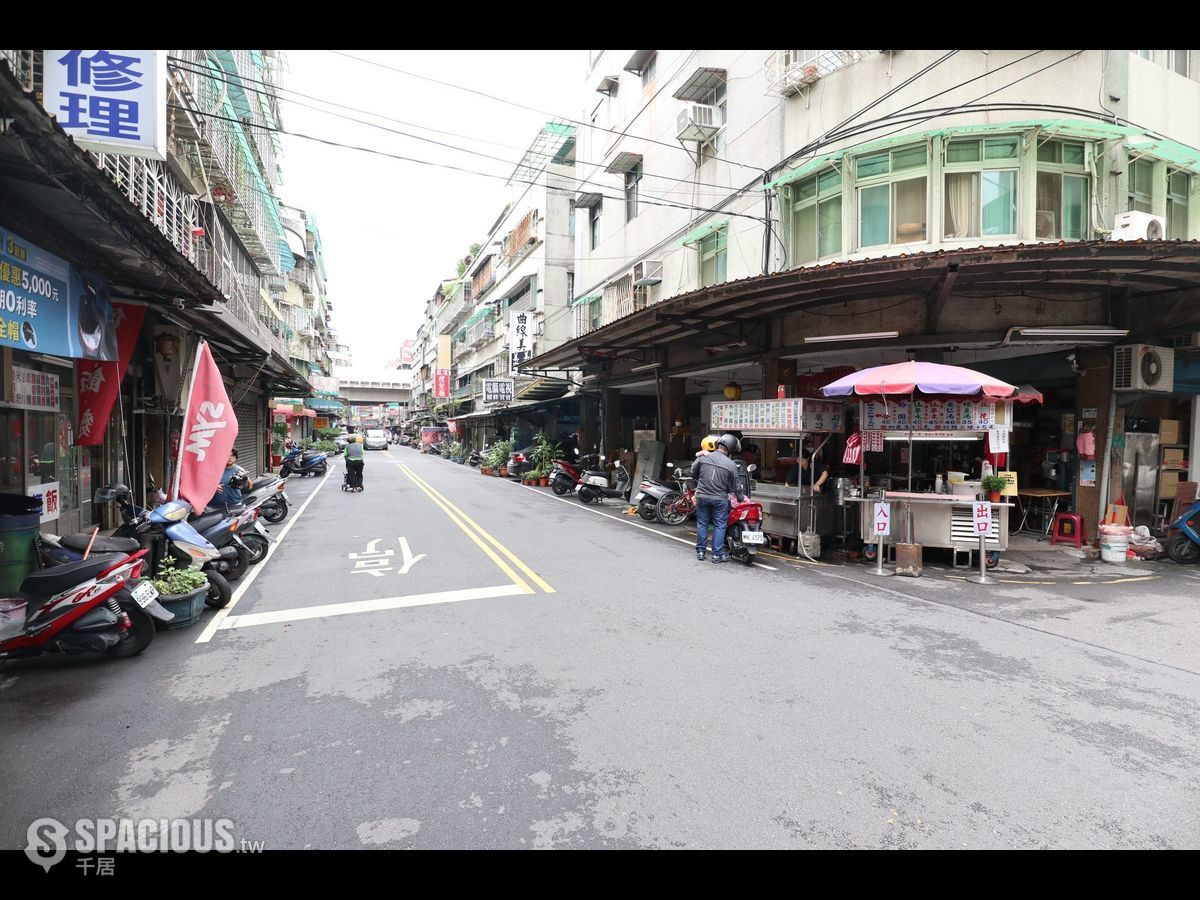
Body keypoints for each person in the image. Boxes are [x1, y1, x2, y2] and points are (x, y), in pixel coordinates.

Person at [691, 433, 747, 564]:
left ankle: (700, 552)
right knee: (720, 525)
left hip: (702, 496)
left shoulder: (704, 457)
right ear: (730, 449)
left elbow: (693, 472)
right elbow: (737, 486)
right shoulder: (731, 464)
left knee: (702, 523)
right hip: (720, 499)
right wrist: (740, 499)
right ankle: (717, 555)